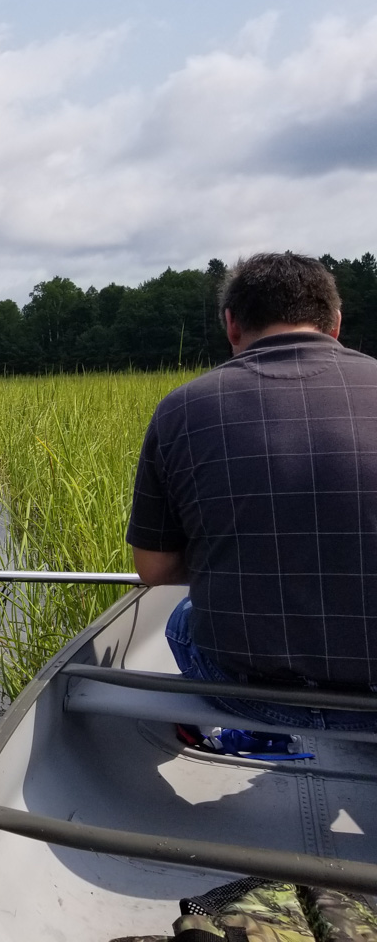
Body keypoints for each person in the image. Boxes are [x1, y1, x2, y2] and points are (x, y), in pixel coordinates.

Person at [126, 251, 377, 731]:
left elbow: (153, 569)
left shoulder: (183, 408)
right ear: (336, 323)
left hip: (254, 693)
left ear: (231, 324)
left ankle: (249, 731)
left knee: (180, 620)